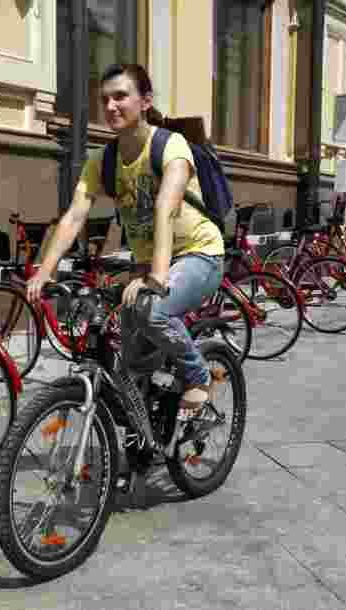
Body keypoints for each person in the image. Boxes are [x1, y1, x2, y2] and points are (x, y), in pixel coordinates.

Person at [26, 63, 224, 413]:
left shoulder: (170, 145)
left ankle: (198, 376)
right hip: (148, 263)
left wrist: (156, 277)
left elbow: (165, 206)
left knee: (154, 311)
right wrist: (46, 270)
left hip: (199, 255)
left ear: (145, 101)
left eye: (121, 96)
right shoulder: (103, 160)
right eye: (105, 99)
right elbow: (74, 215)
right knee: (132, 363)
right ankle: (144, 439)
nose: (111, 106)